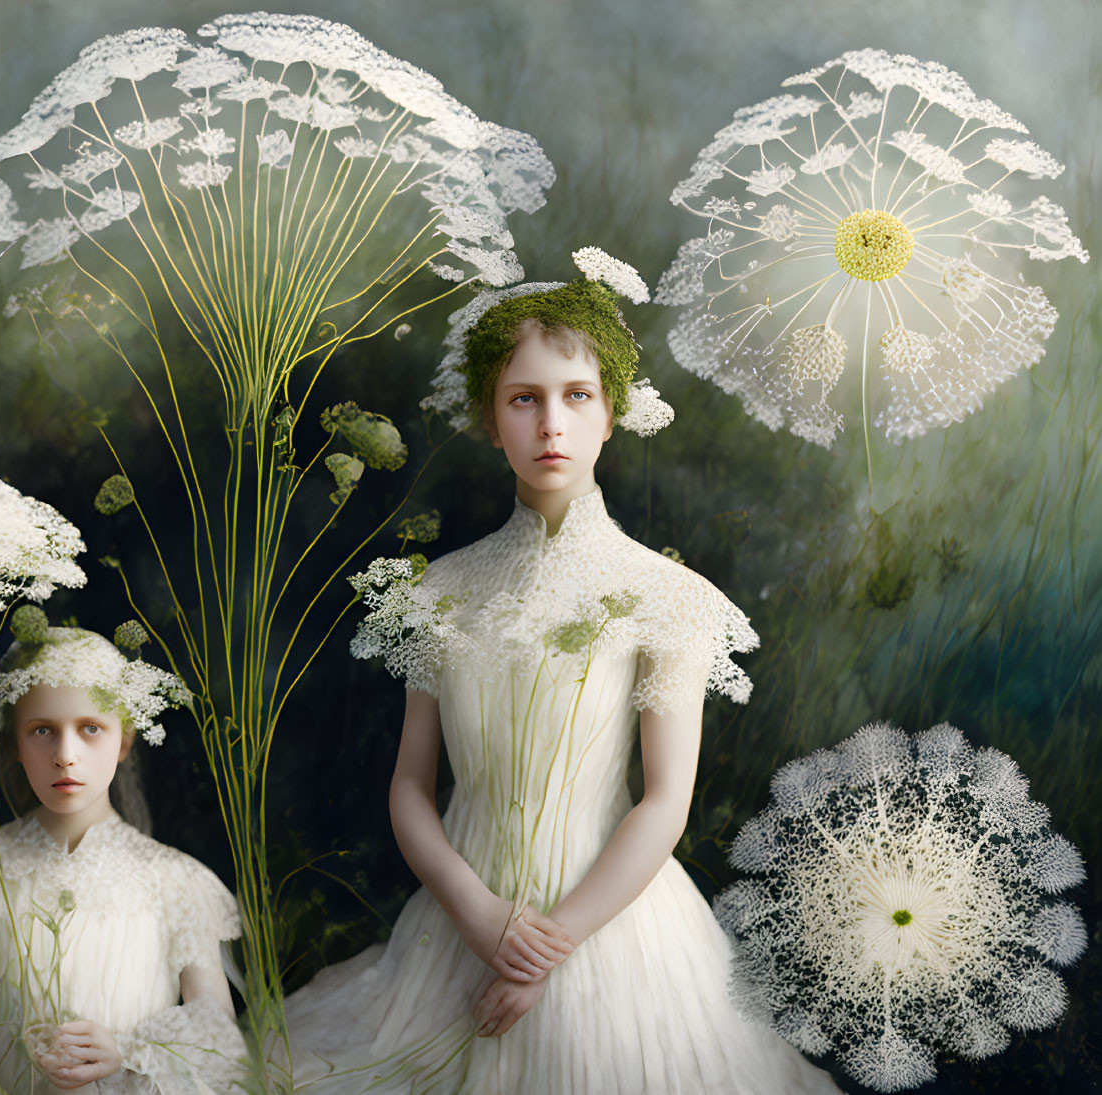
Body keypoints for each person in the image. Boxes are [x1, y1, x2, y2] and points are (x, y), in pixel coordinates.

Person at [280, 252, 841, 1093]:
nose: (552, 425)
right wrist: (479, 917)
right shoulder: (440, 590)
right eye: (524, 399)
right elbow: (409, 786)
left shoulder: (667, 596)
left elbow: (663, 802)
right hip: (455, 929)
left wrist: (548, 944)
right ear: (489, 417)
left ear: (610, 415)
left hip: (615, 927)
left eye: (576, 397)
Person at [0, 627, 248, 1094]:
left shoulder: (177, 880)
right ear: (15, 746)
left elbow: (221, 1040)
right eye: (43, 731)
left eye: (91, 729)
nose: (66, 757)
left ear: (124, 740)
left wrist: (128, 1050)